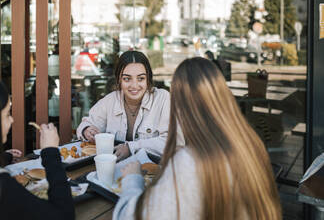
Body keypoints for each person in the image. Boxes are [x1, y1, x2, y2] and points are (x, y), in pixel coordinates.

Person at [113, 57, 282, 219]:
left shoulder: (190, 161)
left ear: (180, 103)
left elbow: (129, 216)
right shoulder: (250, 144)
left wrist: (132, 179)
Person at [0, 75, 74, 220]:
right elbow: (63, 215)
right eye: (7, 114)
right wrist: (51, 152)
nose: (12, 120)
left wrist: (5, 157)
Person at [76, 50, 170, 160]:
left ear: (148, 79)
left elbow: (172, 141)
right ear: (119, 80)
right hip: (115, 171)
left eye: (141, 78)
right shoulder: (110, 101)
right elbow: (86, 123)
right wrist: (87, 130)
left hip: (154, 172)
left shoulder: (163, 98)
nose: (134, 85)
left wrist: (131, 148)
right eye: (127, 79)